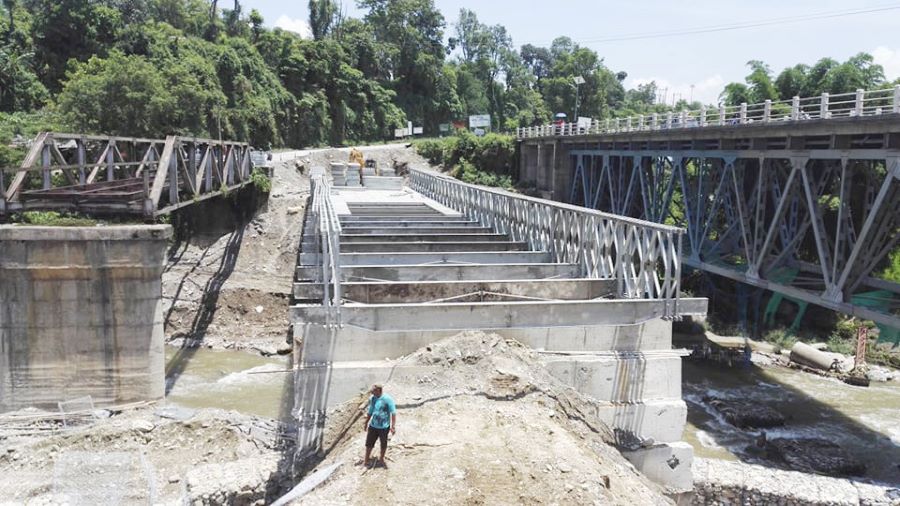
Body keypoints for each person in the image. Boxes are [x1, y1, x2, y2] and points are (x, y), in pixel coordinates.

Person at [363, 384, 396, 468]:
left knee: (383, 444)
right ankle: (366, 460)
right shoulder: (373, 399)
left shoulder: (388, 399)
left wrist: (393, 426)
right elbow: (370, 411)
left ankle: (381, 459)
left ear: (379, 390)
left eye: (373, 391)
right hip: (373, 426)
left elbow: (393, 413)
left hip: (384, 427)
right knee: (369, 443)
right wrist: (366, 422)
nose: (372, 392)